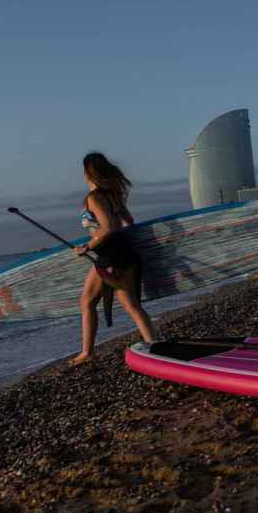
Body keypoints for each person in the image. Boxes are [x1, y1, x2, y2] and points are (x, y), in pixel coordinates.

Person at [72, 152, 157, 365]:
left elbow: (107, 228)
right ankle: (154, 343)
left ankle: (87, 353)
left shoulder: (94, 198)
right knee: (130, 303)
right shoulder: (112, 195)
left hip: (109, 254)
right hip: (122, 251)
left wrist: (87, 247)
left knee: (87, 301)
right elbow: (128, 220)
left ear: (87, 172)